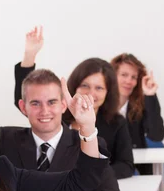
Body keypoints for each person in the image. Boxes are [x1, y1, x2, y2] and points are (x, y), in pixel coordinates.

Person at [14, 26, 135, 179]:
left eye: (99, 88)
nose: (91, 93)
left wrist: (90, 174)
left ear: (107, 92)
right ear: (74, 86)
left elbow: (126, 165)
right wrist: (29, 55)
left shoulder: (117, 123)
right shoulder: (57, 113)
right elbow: (29, 96)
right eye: (85, 86)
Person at [111, 53, 164, 175]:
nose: (129, 81)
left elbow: (157, 136)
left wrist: (150, 96)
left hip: (137, 170)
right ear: (112, 76)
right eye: (124, 75)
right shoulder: (99, 105)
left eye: (134, 77)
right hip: (108, 170)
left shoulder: (139, 106)